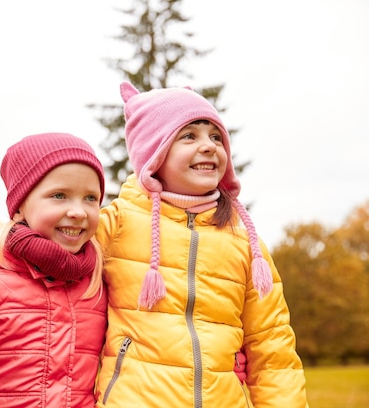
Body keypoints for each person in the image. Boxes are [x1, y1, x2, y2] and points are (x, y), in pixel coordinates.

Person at [92, 82, 308, 407]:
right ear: (154, 152)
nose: (209, 146)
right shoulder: (117, 222)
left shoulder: (245, 241)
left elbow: (272, 349)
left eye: (216, 136)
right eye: (189, 135)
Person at [0, 133, 108, 407]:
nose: (78, 211)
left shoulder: (98, 286)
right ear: (19, 208)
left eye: (90, 198)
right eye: (59, 195)